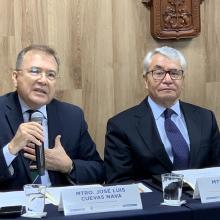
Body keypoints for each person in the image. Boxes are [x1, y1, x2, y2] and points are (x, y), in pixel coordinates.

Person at [104, 46, 220, 184]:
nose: (168, 80)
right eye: (158, 73)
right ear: (146, 81)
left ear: (183, 79)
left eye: (174, 73)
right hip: (153, 203)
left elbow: (216, 170)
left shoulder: (205, 118)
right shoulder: (122, 126)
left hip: (202, 203)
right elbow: (120, 182)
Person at [0, 44, 105, 190]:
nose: (43, 80)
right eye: (35, 71)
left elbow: (100, 170)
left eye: (50, 75)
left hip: (59, 206)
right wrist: (10, 150)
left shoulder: (72, 116)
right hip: (13, 209)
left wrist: (69, 166)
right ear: (15, 77)